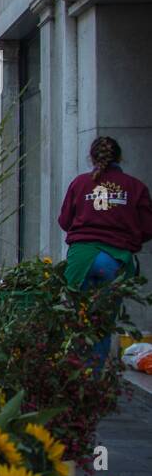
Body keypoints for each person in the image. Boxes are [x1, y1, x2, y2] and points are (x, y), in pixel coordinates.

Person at [58, 136, 152, 361]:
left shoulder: (79, 183)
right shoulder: (135, 186)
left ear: (91, 158)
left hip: (81, 260)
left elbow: (64, 221)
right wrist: (129, 237)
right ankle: (94, 379)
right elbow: (148, 228)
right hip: (114, 260)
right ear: (120, 157)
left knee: (72, 321)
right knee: (102, 324)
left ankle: (69, 373)